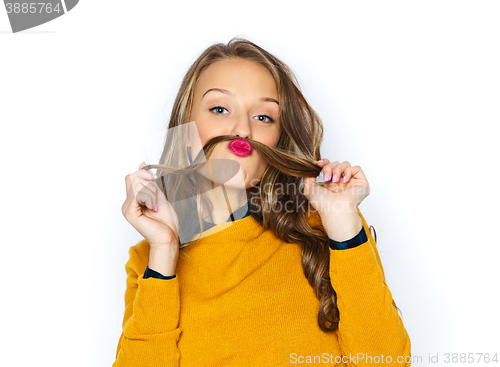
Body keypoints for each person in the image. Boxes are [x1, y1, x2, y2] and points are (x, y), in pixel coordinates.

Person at [114, 37, 411, 366]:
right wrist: (165, 252)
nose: (242, 129)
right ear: (186, 128)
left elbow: (387, 361)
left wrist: (343, 226)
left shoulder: (323, 232)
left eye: (264, 117)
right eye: (220, 109)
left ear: (279, 138)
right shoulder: (151, 258)